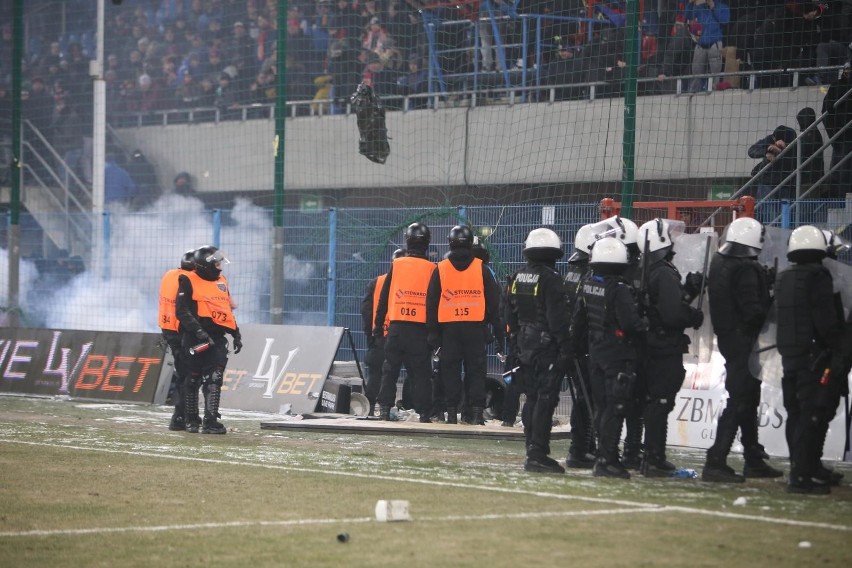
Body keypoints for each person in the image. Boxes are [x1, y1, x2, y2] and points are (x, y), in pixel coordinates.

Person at [702, 217, 783, 482]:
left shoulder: (720, 261)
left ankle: (752, 458)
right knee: (741, 399)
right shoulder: (746, 268)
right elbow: (753, 311)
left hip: (728, 338)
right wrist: (771, 298)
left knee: (746, 397)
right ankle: (716, 459)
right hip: (744, 341)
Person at [775, 226, 847, 494]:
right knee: (812, 415)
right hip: (814, 357)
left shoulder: (785, 276)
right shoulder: (818, 276)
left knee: (796, 413)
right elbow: (825, 321)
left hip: (790, 356)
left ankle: (803, 468)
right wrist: (838, 345)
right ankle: (802, 476)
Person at [574, 237, 648, 479]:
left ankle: (605, 457)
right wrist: (646, 322)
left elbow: (579, 321)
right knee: (615, 407)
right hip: (618, 355)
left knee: (603, 407)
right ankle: (608, 460)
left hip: (596, 352)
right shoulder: (620, 289)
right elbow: (631, 324)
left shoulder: (588, 284)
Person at [636, 219, 705, 477]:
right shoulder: (663, 271)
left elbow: (660, 306)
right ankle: (654, 458)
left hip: (649, 345)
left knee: (654, 403)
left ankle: (651, 456)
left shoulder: (644, 268)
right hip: (664, 347)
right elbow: (672, 314)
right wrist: (693, 316)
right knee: (660, 404)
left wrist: (687, 292)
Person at [505, 228, 571, 473]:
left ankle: (531, 448)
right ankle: (538, 453)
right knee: (545, 398)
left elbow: (508, 313)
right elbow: (557, 318)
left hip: (523, 345)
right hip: (546, 348)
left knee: (532, 398)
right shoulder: (551, 279)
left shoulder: (516, 277)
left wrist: (515, 340)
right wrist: (566, 347)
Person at [426, 225, 505, 425]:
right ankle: (475, 413)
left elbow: (432, 303)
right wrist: (496, 333)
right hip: (475, 328)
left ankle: (452, 413)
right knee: (476, 372)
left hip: (449, 330)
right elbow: (494, 304)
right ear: (471, 243)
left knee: (450, 371)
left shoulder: (441, 268)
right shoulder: (481, 268)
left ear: (449, 242)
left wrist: (433, 334)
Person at [175, 245, 243, 434]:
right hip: (195, 337)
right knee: (192, 378)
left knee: (215, 377)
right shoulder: (187, 280)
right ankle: (191, 420)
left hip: (217, 337)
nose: (220, 266)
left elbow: (225, 309)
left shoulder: (222, 281)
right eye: (217, 262)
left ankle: (211, 421)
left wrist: (235, 333)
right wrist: (199, 332)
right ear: (206, 265)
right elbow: (181, 311)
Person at [374, 223, 437, 422]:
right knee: (421, 375)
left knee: (390, 371)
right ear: (427, 242)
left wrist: (377, 325)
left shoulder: (397, 264)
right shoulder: (432, 268)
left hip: (397, 327)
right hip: (420, 330)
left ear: (407, 240)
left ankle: (384, 408)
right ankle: (424, 413)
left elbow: (384, 297)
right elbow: (435, 301)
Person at [562, 223, 598, 468]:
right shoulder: (587, 274)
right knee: (587, 400)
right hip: (584, 345)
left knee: (584, 400)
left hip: (573, 343)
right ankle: (581, 448)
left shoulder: (571, 272)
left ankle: (584, 446)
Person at [361, 248, 406, 415]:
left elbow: (366, 310)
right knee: (416, 373)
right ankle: (412, 408)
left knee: (377, 373)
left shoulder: (377, 282)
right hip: (406, 335)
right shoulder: (411, 283)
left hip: (381, 335)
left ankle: (371, 408)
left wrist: (371, 334)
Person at [158, 249, 196, 431]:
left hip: (168, 330)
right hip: (182, 332)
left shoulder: (170, 275)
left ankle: (182, 415)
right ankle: (182, 416)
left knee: (184, 373)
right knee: (188, 375)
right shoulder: (188, 281)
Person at [748, 125, 798, 224]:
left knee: (784, 214)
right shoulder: (769, 140)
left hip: (785, 183)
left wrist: (782, 152)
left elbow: (795, 160)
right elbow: (752, 151)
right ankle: (770, 233)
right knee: (768, 214)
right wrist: (767, 150)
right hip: (767, 182)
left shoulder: (794, 144)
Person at [684, 0, 730, 93]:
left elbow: (725, 20)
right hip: (701, 45)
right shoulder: (700, 7)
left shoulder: (723, 6)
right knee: (696, 74)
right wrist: (690, 3)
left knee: (715, 77)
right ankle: (693, 95)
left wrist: (713, 6)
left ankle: (715, 97)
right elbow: (688, 16)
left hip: (715, 45)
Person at [822, 62, 852, 199]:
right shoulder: (836, 86)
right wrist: (834, 136)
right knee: (839, 174)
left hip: (843, 138)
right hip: (842, 138)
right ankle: (838, 205)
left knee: (842, 173)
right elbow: (827, 112)